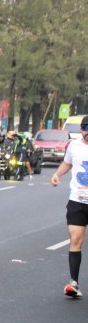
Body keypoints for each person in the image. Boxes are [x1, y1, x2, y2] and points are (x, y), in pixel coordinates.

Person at [49, 114, 88, 299]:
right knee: (75, 239)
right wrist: (57, 174)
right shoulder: (74, 146)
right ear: (81, 129)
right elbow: (67, 163)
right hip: (77, 200)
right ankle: (74, 283)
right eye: (86, 128)